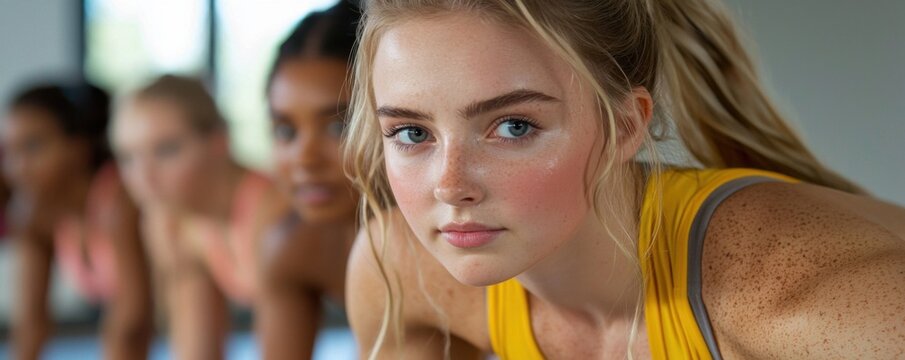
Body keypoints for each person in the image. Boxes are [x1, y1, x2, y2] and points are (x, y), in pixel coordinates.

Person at [343, 0, 905, 358]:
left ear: (626, 125)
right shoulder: (404, 277)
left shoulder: (826, 309)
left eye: (513, 126)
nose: (450, 186)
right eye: (412, 133)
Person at [111, 75, 286, 359]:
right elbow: (197, 349)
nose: (144, 176)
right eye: (128, 157)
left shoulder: (269, 209)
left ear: (218, 142)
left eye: (166, 150)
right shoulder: (174, 221)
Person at [3, 82, 152, 360]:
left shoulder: (120, 200)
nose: (17, 167)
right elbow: (30, 325)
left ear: (78, 147)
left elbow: (131, 326)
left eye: (33, 146)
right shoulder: (34, 219)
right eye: (9, 152)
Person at [257, 1, 361, 358]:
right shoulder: (294, 246)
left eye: (338, 127)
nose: (304, 158)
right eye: (286, 131)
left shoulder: (454, 242)